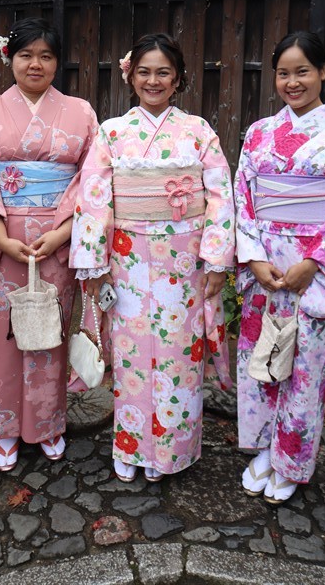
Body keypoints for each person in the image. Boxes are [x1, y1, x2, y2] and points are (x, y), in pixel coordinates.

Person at [69, 33, 235, 483]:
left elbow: (220, 195)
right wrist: (94, 263)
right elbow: (95, 198)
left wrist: (216, 259)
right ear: (130, 77)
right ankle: (131, 443)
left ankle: (172, 451)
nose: (153, 80)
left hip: (185, 259)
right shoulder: (112, 132)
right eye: (144, 72)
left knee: (181, 354)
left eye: (163, 72)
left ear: (178, 78)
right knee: (131, 353)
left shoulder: (198, 131)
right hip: (128, 259)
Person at [234, 30, 325, 504]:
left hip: (317, 270)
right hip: (265, 268)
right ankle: (264, 449)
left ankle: (292, 460)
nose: (292, 82)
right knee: (263, 360)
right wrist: (253, 256)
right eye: (283, 73)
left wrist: (313, 261)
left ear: (323, 72)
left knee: (308, 367)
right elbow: (244, 197)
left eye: (303, 72)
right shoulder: (259, 133)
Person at [0, 17, 98, 471]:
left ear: (58, 62)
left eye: (46, 56)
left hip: (58, 235)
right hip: (5, 234)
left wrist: (63, 231)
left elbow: (91, 177)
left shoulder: (81, 112)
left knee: (50, 330)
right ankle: (4, 426)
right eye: (26, 55)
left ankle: (47, 423)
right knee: (5, 332)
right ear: (10, 59)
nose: (35, 64)